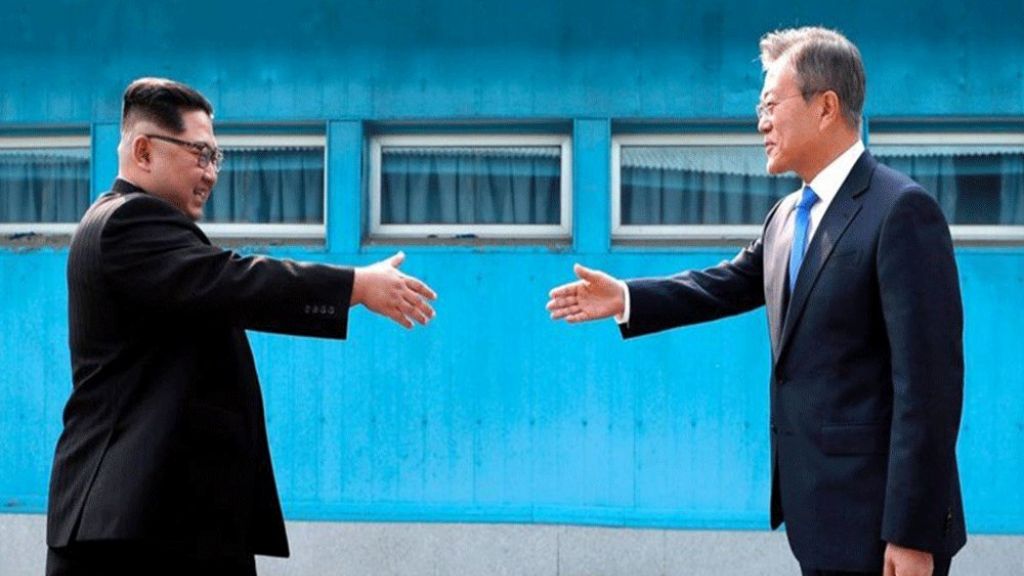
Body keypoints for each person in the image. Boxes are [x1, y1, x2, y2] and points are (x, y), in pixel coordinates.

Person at [547, 27, 965, 576]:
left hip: (881, 526)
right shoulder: (787, 216)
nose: (761, 122)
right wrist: (626, 297)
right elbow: (725, 284)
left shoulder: (900, 210)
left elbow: (929, 390)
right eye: (759, 108)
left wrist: (911, 533)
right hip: (818, 518)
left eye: (771, 105)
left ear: (826, 107)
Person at [46, 77, 438, 575]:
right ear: (144, 151)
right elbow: (234, 280)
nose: (211, 173)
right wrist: (354, 286)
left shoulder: (127, 226)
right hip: (136, 530)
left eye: (216, 157)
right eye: (199, 154)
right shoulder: (129, 222)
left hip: (158, 521)